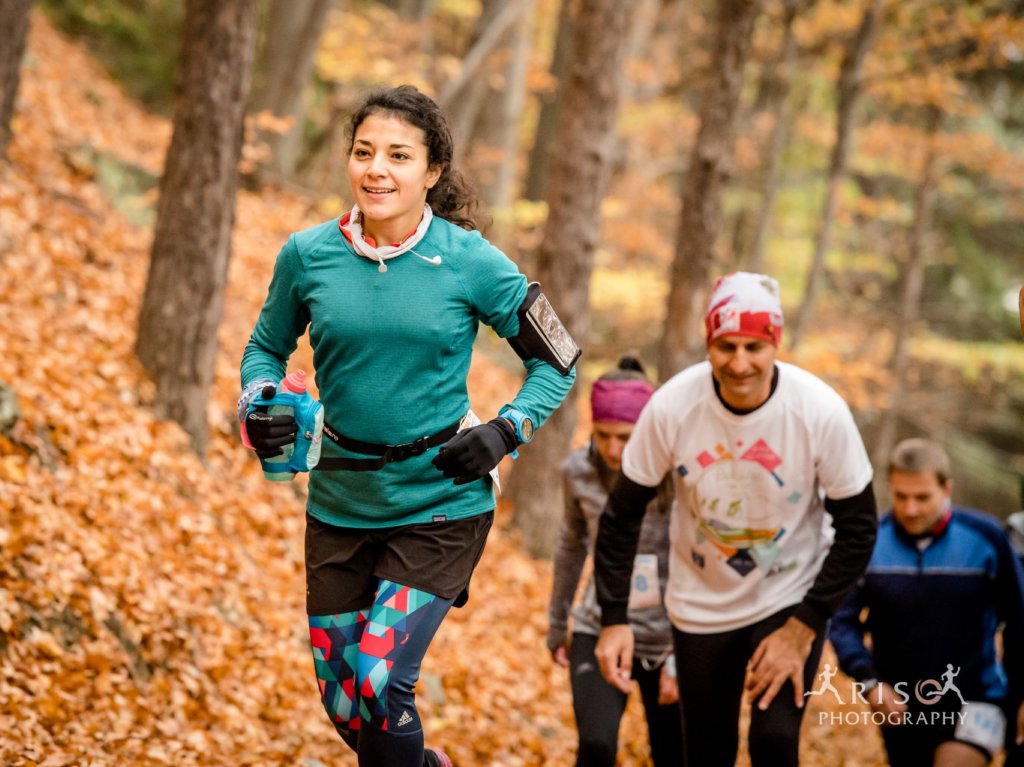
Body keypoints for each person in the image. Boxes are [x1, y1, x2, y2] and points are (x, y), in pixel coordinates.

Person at [237, 84, 578, 767]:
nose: (377, 169)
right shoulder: (307, 254)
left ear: (432, 171)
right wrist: (259, 401)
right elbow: (264, 349)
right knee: (347, 706)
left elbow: (559, 359)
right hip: (339, 501)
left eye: (398, 155)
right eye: (364, 152)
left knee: (378, 680)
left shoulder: (470, 259)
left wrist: (507, 430)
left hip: (440, 502)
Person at [592, 271, 878, 767]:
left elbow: (859, 528)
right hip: (700, 601)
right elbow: (620, 518)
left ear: (775, 344)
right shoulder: (672, 408)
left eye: (753, 347)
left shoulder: (820, 412)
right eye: (726, 346)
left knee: (774, 741)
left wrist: (805, 625)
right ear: (709, 344)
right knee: (707, 751)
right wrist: (614, 618)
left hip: (788, 594)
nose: (740, 363)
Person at [829, 438, 1024, 767]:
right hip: (901, 704)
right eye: (900, 496)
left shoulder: (986, 538)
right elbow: (842, 620)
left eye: (922, 497)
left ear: (946, 489)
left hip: (976, 697)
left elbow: (1020, 618)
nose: (910, 509)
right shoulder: (871, 543)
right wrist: (870, 682)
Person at [546, 356, 684, 767]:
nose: (612, 449)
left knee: (674, 754)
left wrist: (684, 652)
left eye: (625, 437)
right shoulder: (578, 471)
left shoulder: (679, 474)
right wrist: (558, 624)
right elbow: (571, 546)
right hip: (600, 625)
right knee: (596, 746)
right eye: (602, 435)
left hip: (671, 636)